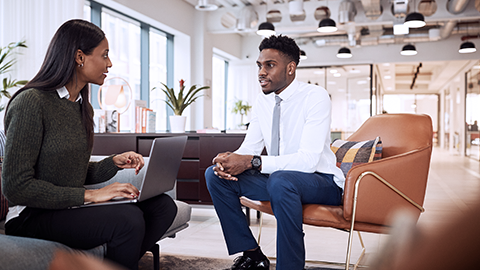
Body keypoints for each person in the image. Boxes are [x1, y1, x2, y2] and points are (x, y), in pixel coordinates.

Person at [1, 19, 177, 270]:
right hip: (32, 215)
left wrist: (113, 163)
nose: (110, 63)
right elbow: (16, 187)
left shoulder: (82, 107)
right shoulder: (32, 102)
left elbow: (70, 172)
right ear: (79, 57)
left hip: (67, 208)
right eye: (104, 55)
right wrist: (91, 195)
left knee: (163, 207)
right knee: (128, 219)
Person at [205, 35, 345, 270]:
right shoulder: (264, 100)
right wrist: (230, 160)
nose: (261, 72)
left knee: (281, 180)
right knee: (214, 175)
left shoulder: (315, 97)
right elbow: (250, 148)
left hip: (322, 182)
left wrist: (252, 162)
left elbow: (309, 161)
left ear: (291, 68)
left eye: (269, 65)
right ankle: (252, 254)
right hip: (279, 181)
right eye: (259, 65)